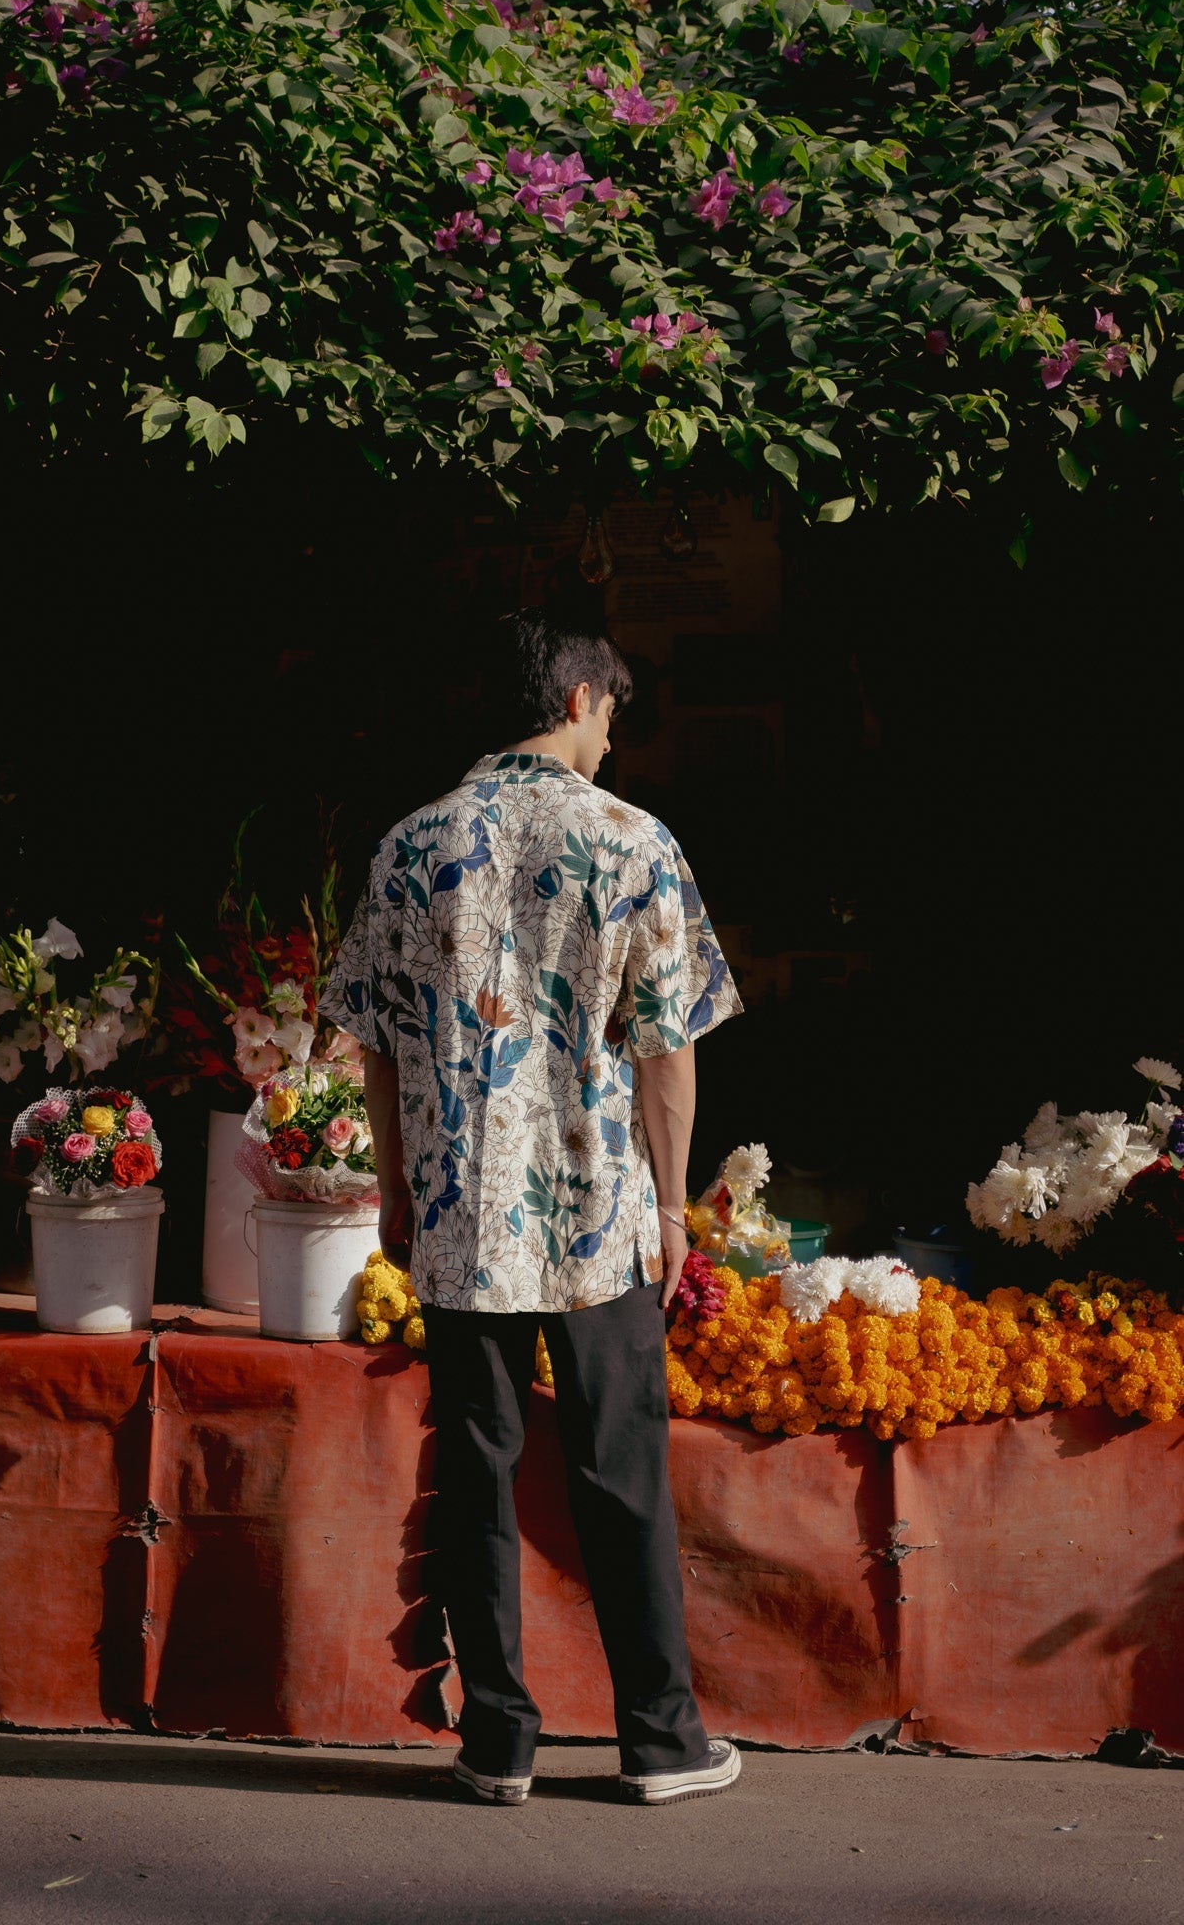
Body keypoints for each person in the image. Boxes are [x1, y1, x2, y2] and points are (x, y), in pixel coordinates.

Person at [320, 608, 743, 1807]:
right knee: (623, 1466)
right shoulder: (633, 841)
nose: (613, 736)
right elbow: (669, 1051)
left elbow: (380, 1045)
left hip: (461, 1212)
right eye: (611, 710)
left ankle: (495, 1738)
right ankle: (661, 1739)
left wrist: (398, 1188)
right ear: (573, 697)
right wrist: (671, 1205)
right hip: (595, 1210)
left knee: (476, 1468)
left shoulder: (412, 845)